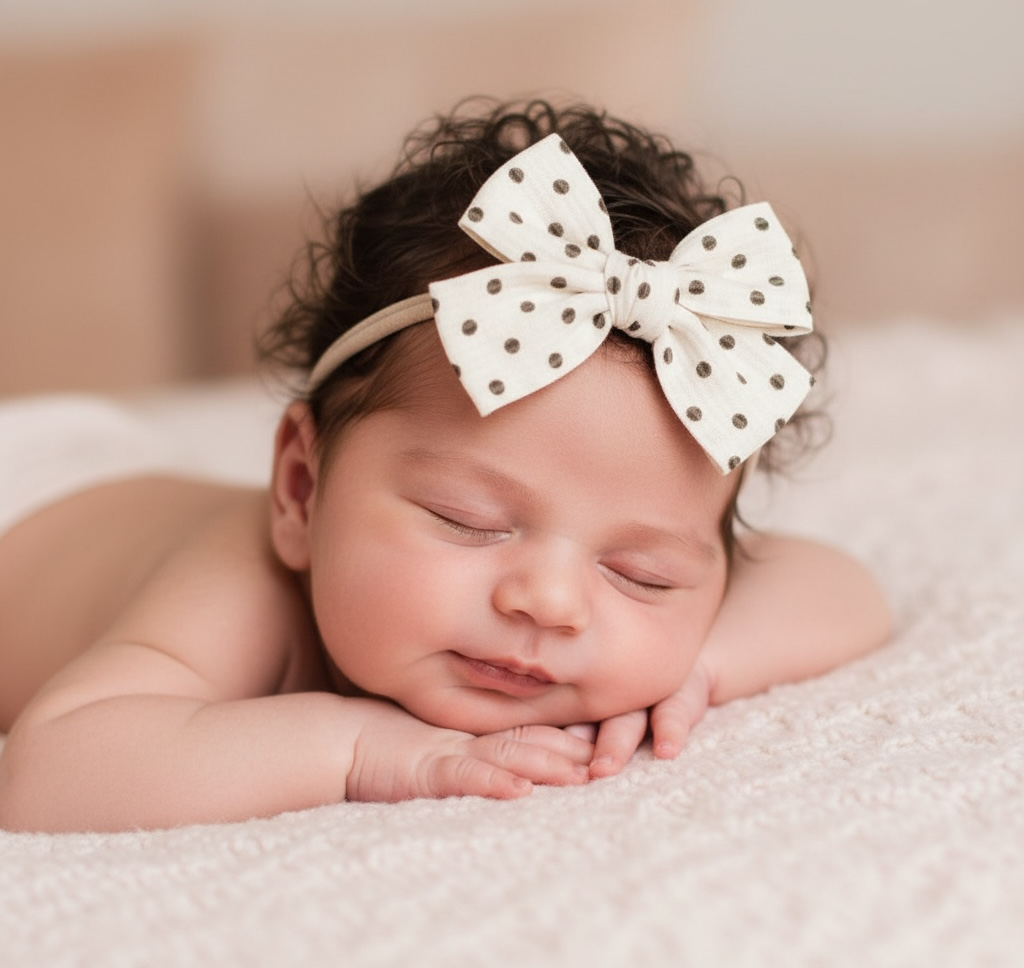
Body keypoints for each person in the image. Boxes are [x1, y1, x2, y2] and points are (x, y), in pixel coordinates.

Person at [0, 100, 890, 832]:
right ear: (303, 493)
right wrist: (361, 749)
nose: (549, 601)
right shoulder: (240, 593)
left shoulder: (647, 604)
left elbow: (843, 589)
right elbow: (54, 773)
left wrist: (698, 666)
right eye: (469, 520)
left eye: (640, 574)